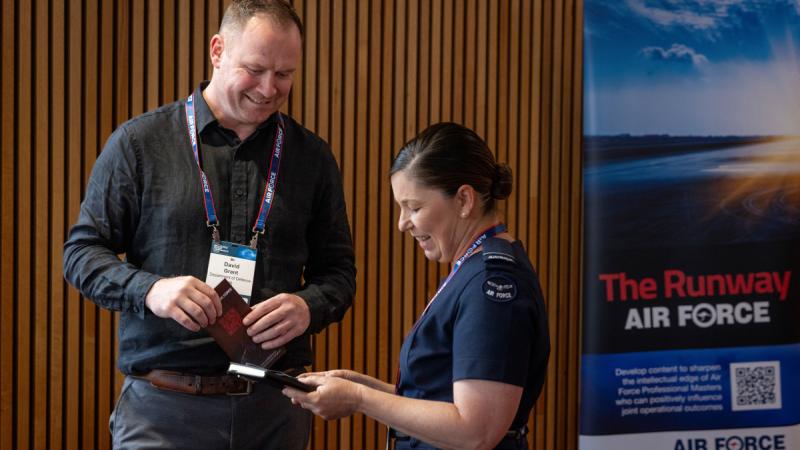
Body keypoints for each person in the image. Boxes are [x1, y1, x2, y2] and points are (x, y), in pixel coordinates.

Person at [62, 1, 355, 449]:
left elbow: (338, 275)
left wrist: (308, 307)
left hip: (275, 409)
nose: (269, 88)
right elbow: (81, 255)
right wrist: (151, 291)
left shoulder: (311, 157)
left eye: (285, 74)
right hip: (164, 411)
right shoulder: (140, 144)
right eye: (255, 69)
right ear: (217, 50)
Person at [283, 122, 550, 449]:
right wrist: (358, 386)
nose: (402, 222)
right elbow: (441, 398)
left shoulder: (492, 286)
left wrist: (359, 398)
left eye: (415, 207)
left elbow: (476, 431)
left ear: (464, 200)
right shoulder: (471, 268)